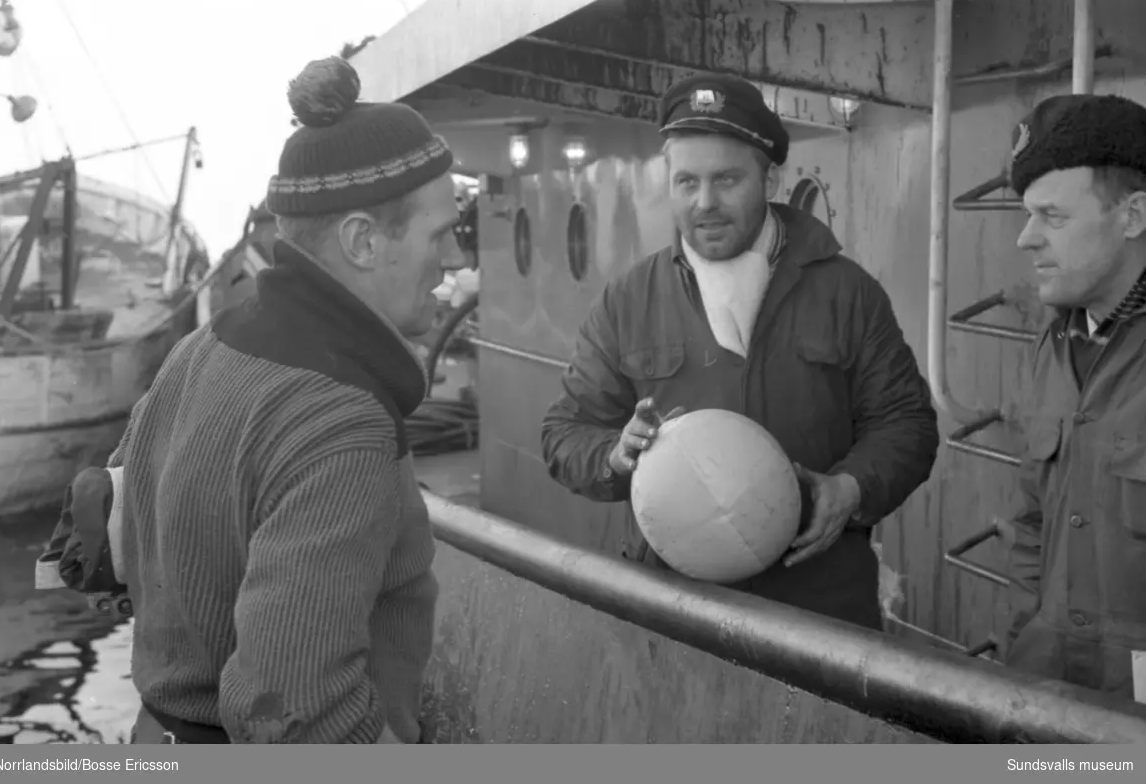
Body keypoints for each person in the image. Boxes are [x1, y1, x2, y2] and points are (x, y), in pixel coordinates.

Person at [109, 55, 460, 743]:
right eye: (440, 233)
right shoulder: (342, 419)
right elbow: (294, 708)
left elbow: (120, 528)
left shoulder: (203, 348)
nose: (452, 259)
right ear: (363, 239)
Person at [540, 72, 940, 630]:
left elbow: (908, 425)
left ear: (770, 179)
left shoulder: (845, 292)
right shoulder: (630, 299)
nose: (705, 204)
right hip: (674, 611)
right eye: (686, 183)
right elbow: (564, 432)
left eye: (727, 180)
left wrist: (851, 488)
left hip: (818, 611)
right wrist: (616, 454)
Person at [999, 93, 1146, 698]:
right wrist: (1029, 643)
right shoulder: (1053, 346)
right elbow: (1034, 525)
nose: (1025, 239)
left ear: (1133, 216)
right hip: (1050, 690)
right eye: (1027, 215)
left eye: (1052, 217)